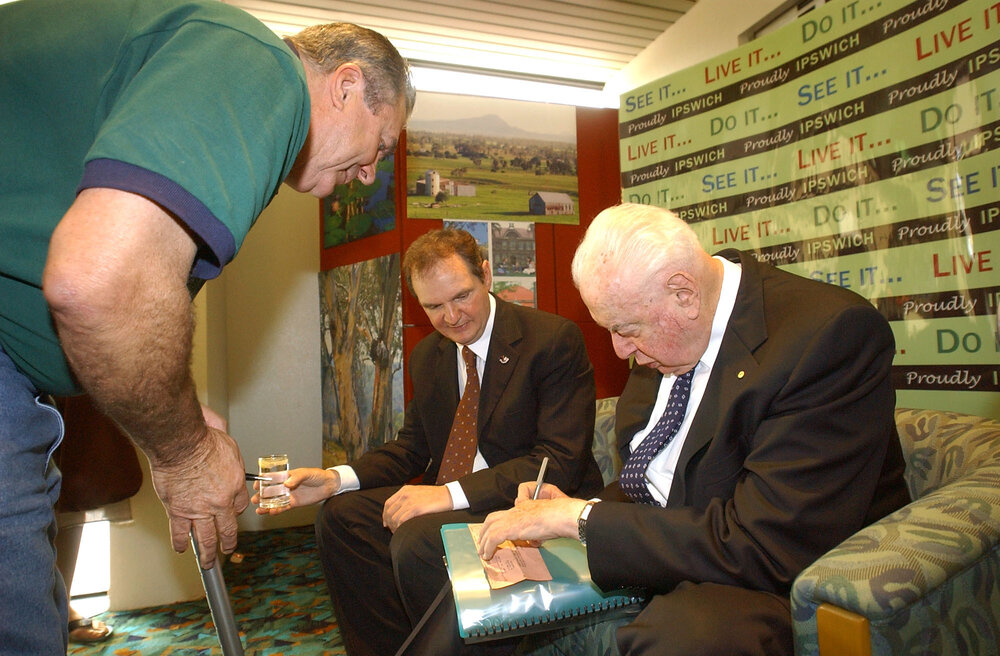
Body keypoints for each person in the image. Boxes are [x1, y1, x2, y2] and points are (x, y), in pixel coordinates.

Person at [0, 0, 414, 653]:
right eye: (381, 146)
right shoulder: (262, 67)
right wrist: (187, 454)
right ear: (345, 85)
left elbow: (124, 285)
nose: (370, 173)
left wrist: (179, 411)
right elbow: (101, 283)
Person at [465, 203, 910, 656]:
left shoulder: (826, 336)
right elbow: (659, 477)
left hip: (775, 574)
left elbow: (766, 545)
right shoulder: (667, 335)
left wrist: (579, 520)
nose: (620, 351)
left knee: (682, 637)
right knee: (476, 577)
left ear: (684, 294)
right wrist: (582, 510)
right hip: (693, 541)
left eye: (626, 329)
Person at [254, 228, 604, 656]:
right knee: (342, 517)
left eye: (461, 296)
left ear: (486, 275)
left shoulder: (551, 340)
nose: (451, 317)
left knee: (416, 538)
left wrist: (445, 495)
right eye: (434, 306)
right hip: (460, 495)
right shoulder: (429, 356)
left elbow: (558, 460)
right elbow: (412, 447)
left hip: (527, 500)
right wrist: (333, 480)